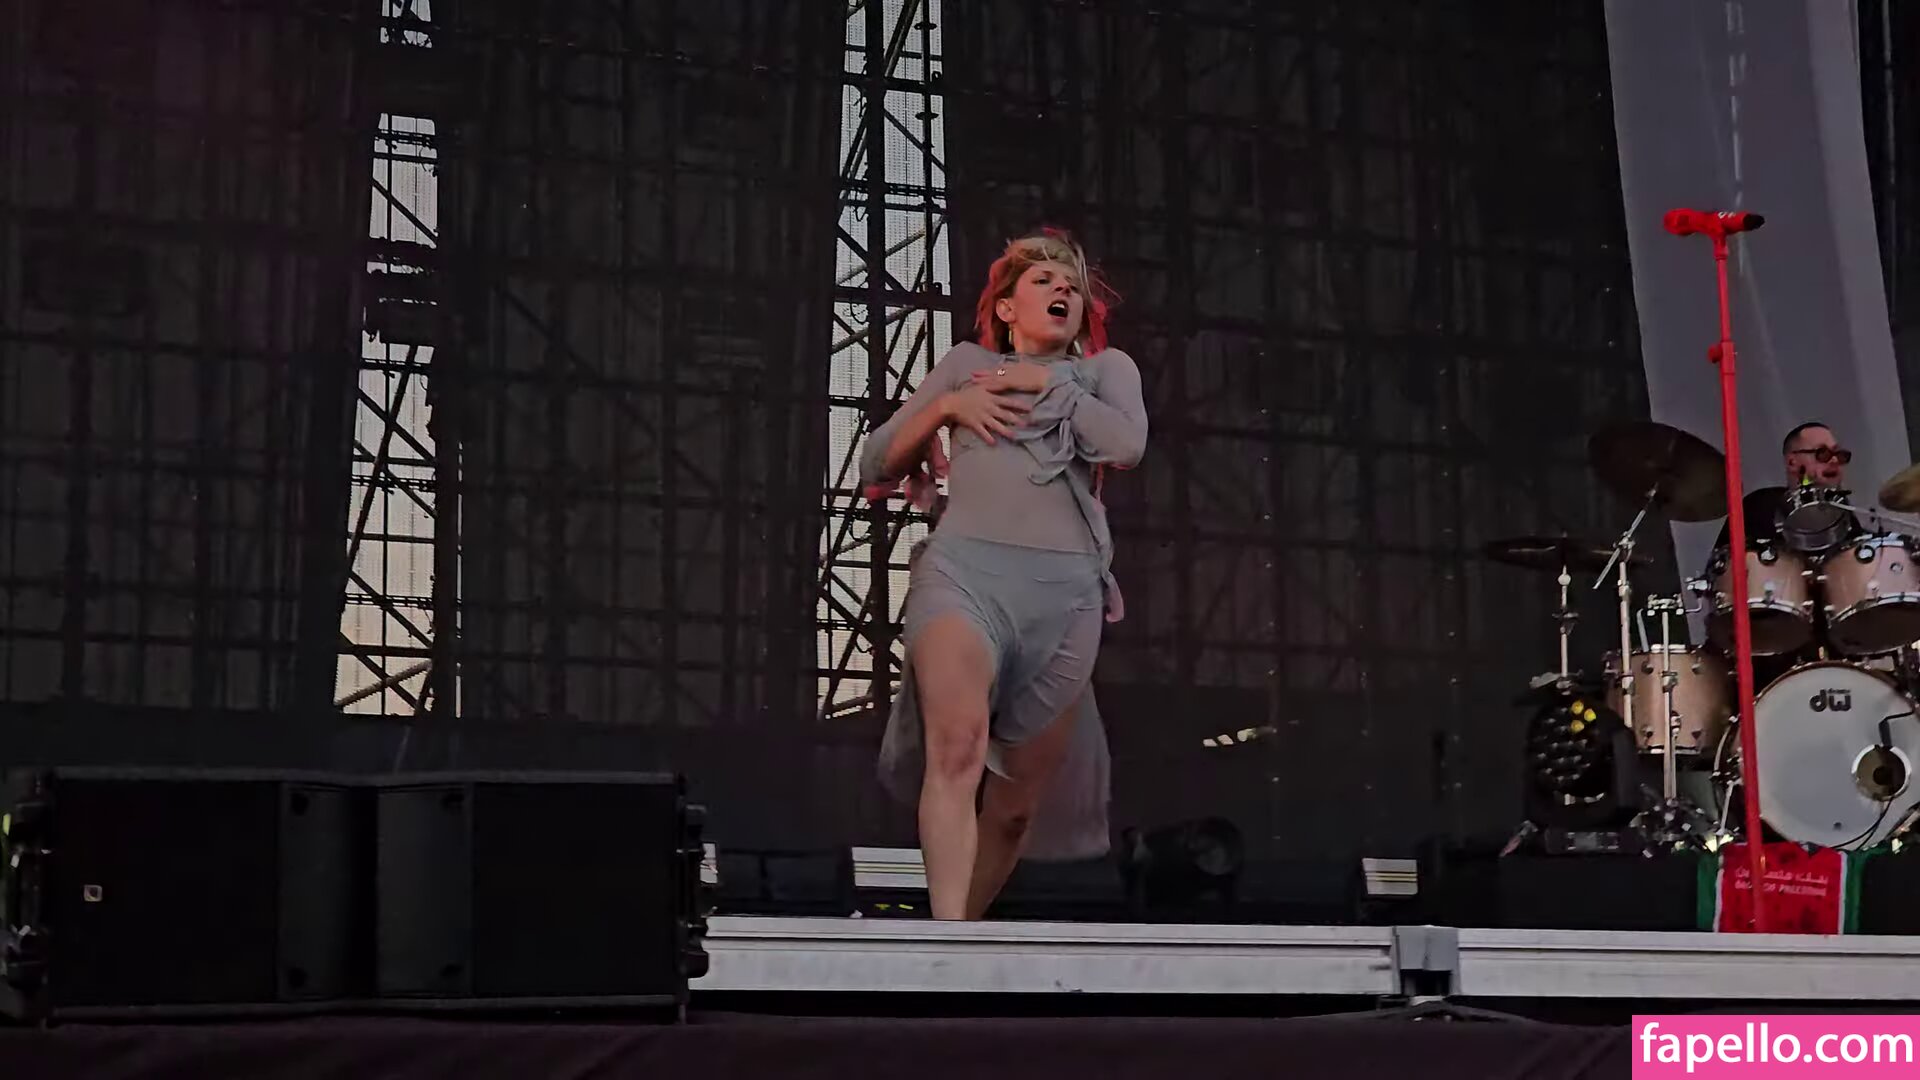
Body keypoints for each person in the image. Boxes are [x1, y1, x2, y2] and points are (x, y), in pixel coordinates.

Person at [858, 230, 1146, 920]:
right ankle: (947, 948)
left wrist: (1050, 385)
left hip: (1065, 599)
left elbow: (1126, 445)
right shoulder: (969, 364)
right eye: (1043, 281)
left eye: (1071, 286)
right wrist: (945, 408)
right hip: (965, 576)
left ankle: (960, 931)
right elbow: (876, 461)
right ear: (1008, 308)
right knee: (957, 751)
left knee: (1014, 810)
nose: (1062, 290)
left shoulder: (1106, 373)